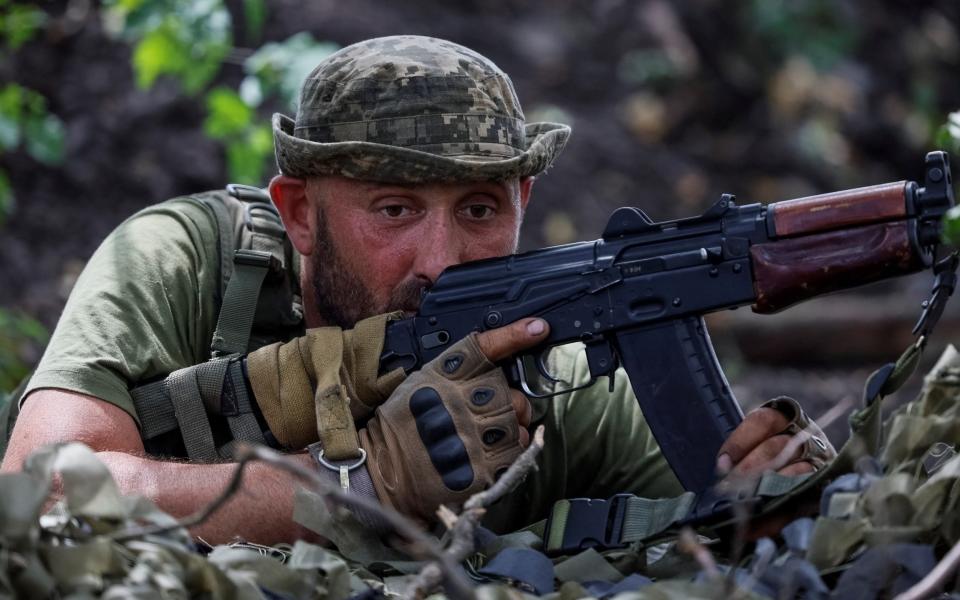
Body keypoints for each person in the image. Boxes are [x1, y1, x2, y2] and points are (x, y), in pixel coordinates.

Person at [0, 35, 832, 545]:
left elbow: (724, 536)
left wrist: (774, 492)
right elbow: (37, 493)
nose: (441, 258)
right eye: (393, 209)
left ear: (523, 205)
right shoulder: (188, 266)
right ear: (299, 214)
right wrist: (364, 491)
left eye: (478, 209)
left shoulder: (555, 364)